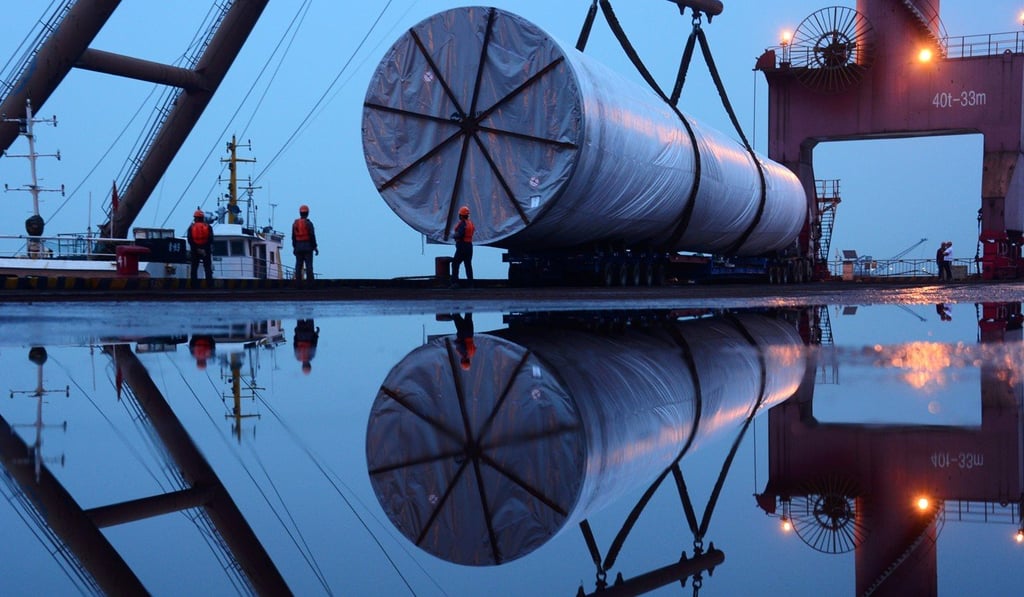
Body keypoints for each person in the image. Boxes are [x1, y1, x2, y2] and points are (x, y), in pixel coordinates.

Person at [292, 204, 318, 281]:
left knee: (298, 266)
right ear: (307, 213)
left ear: (300, 213)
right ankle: (310, 284)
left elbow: (293, 237)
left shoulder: (295, 224)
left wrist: (295, 248)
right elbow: (312, 236)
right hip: (308, 247)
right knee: (309, 266)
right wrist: (315, 247)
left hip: (298, 247)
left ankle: (298, 284)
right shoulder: (309, 223)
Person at [450, 205, 475, 288]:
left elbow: (459, 234)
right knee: (468, 265)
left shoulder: (462, 224)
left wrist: (453, 236)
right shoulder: (470, 223)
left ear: (460, 215)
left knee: (455, 264)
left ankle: (455, 283)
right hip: (469, 246)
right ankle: (471, 284)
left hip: (462, 246)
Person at [187, 209, 214, 281]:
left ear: (196, 218)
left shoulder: (191, 227)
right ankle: (210, 285)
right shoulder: (208, 227)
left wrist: (197, 248)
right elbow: (210, 239)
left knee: (194, 268)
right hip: (206, 250)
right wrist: (204, 249)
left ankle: (194, 285)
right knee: (207, 267)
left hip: (195, 250)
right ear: (202, 218)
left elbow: (190, 239)